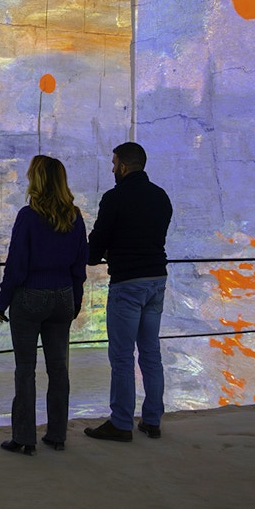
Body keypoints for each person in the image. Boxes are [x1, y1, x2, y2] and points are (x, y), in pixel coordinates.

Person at [0, 155, 88, 456]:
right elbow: (80, 264)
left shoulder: (28, 216)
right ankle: (57, 434)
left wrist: (3, 300)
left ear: (37, 180)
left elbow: (16, 264)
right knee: (59, 368)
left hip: (30, 296)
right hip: (63, 296)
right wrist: (75, 299)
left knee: (25, 369)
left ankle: (24, 438)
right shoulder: (74, 216)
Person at [83, 142, 173, 442]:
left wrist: (99, 254)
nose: (112, 169)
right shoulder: (161, 196)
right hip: (156, 279)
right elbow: (153, 238)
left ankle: (122, 423)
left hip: (127, 283)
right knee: (150, 353)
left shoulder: (115, 198)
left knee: (122, 356)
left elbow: (97, 242)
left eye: (114, 163)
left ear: (123, 166)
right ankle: (152, 420)